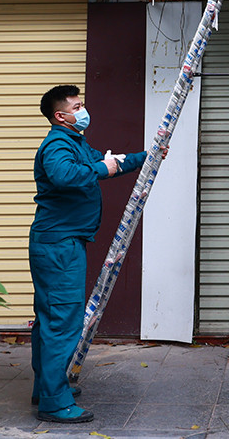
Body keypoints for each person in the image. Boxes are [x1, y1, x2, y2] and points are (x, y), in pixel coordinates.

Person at [29, 84, 157, 423]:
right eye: (77, 105)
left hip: (60, 242)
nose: (83, 109)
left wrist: (149, 156)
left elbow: (108, 161)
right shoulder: (57, 144)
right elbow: (65, 176)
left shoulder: (75, 142)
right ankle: (54, 403)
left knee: (50, 319)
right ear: (61, 115)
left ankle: (46, 387)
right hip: (59, 245)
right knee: (62, 321)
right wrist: (105, 169)